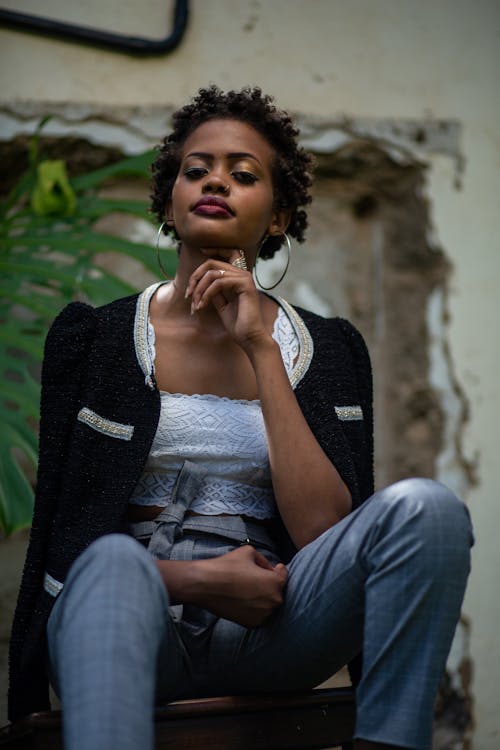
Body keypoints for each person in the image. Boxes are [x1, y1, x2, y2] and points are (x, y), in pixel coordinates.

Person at [8, 86, 473, 750]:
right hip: (128, 619)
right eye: (195, 170)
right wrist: (200, 579)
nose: (215, 180)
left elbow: (324, 535)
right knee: (112, 563)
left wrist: (260, 346)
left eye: (243, 173)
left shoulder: (332, 349)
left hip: (275, 622)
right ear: (170, 199)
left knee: (428, 510)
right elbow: (62, 540)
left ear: (279, 215)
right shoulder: (97, 340)